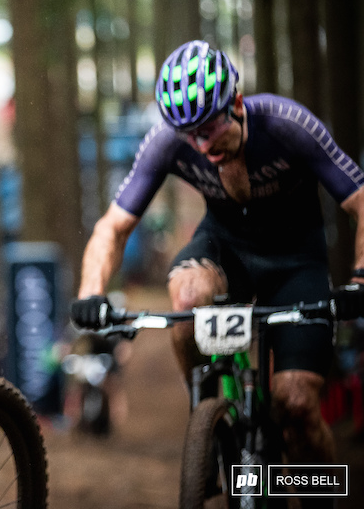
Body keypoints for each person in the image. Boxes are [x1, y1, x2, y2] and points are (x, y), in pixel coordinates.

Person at [72, 41, 364, 481]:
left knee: (297, 405)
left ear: (238, 103)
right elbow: (112, 228)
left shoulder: (286, 124)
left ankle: (321, 495)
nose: (201, 144)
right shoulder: (170, 140)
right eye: (188, 134)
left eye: (208, 128)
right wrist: (90, 294)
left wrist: (360, 279)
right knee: (187, 297)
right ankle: (205, 415)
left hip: (297, 263)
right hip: (226, 249)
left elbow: (360, 202)